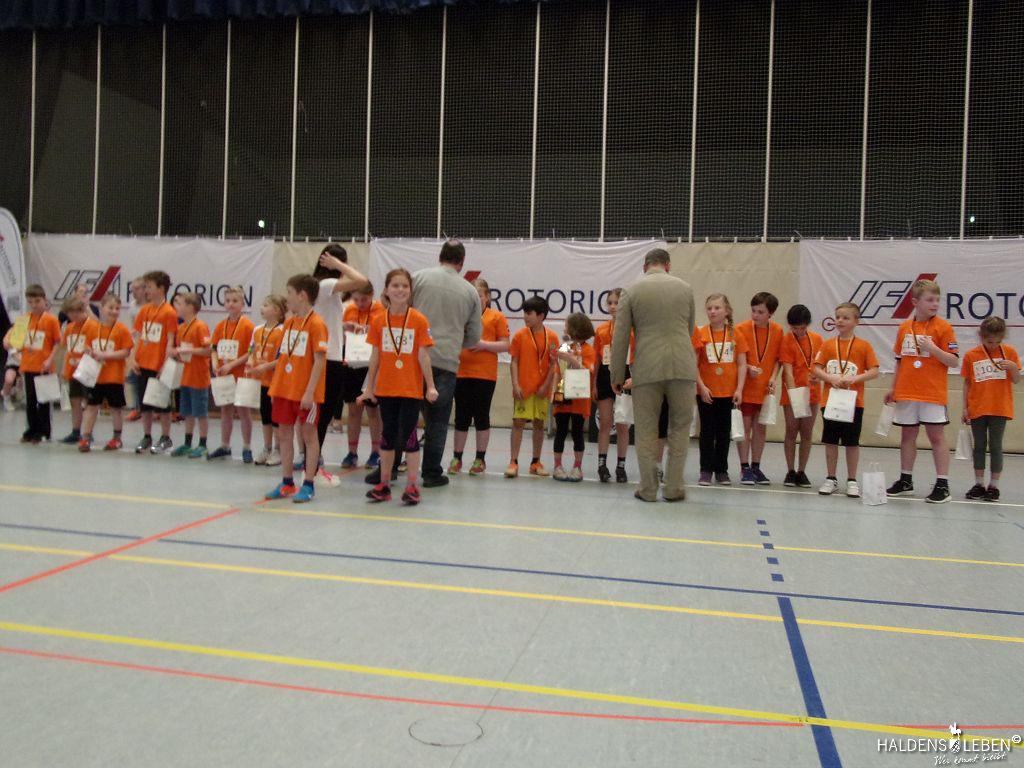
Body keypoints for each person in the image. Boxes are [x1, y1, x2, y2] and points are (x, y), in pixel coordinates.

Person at [610, 248, 696, 502]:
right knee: (680, 428)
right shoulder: (685, 288)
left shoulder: (631, 291)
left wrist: (617, 375)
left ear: (644, 266)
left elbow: (620, 337)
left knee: (646, 429)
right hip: (682, 365)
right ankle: (674, 488)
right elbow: (689, 329)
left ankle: (648, 489)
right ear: (668, 265)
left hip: (647, 368)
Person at [359, 268, 439, 505]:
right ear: (386, 290)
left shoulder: (418, 320)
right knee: (388, 436)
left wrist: (430, 386)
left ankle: (412, 486)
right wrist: (369, 387)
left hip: (410, 390)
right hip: (386, 389)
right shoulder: (378, 320)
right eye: (395, 285)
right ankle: (384, 484)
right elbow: (375, 356)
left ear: (410, 291)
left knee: (410, 437)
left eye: (405, 286)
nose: (400, 290)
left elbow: (424, 356)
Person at [409, 239, 483, 488]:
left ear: (439, 256)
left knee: (404, 416)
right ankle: (431, 473)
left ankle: (391, 466)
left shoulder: (418, 278)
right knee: (438, 422)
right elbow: (474, 336)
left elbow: (399, 313)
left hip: (412, 359)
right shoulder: (470, 291)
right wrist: (453, 342)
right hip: (446, 362)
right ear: (462, 262)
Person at [884, 279, 960, 503]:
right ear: (915, 302)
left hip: (931, 392)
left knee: (936, 436)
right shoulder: (904, 328)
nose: (935, 304)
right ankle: (905, 480)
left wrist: (933, 349)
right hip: (907, 391)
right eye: (930, 300)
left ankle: (943, 484)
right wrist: (893, 387)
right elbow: (900, 360)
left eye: (937, 300)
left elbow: (954, 361)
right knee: (907, 435)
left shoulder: (943, 328)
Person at [265, 275, 330, 503]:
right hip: (285, 390)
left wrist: (310, 392)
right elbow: (285, 357)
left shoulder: (317, 324)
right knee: (284, 435)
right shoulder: (289, 323)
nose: (287, 298)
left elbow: (320, 360)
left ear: (302, 295)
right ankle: (287, 482)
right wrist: (275, 386)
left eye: (289, 293)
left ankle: (309, 483)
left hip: (305, 393)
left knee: (308, 436)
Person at [309, 245, 370, 483]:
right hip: (329, 358)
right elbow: (362, 281)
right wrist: (338, 265)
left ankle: (312, 462)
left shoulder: (322, 289)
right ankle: (312, 465)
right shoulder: (325, 284)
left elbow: (322, 319)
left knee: (321, 414)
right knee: (322, 415)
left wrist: (343, 326)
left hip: (330, 355)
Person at [813, 302, 879, 497]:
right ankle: (831, 478)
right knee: (831, 441)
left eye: (845, 318)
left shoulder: (864, 346)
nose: (840, 321)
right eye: (838, 317)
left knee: (851, 442)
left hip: (853, 403)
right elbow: (816, 368)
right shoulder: (827, 345)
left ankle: (852, 480)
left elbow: (874, 371)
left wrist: (855, 379)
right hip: (831, 401)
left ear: (856, 321)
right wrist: (830, 378)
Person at [450, 278, 510, 476]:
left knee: (481, 416)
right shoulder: (461, 315)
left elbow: (506, 344)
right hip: (461, 372)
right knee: (461, 417)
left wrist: (484, 345)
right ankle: (457, 457)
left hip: (485, 375)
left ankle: (480, 459)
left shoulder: (496, 317)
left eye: (479, 295)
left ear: (487, 297)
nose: (475, 299)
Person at [961, 316, 1020, 502]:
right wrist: (965, 407)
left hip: (999, 408)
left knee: (996, 446)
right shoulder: (971, 355)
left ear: (1002, 338)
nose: (993, 345)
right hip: (977, 407)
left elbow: (1016, 380)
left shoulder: (1009, 352)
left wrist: (1013, 368)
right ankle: (979, 483)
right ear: (981, 336)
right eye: (989, 341)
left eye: (997, 342)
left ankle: (994, 486)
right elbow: (967, 383)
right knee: (979, 446)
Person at [693, 293, 747, 486]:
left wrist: (739, 389)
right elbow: (693, 363)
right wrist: (701, 387)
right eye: (709, 308)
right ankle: (706, 470)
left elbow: (741, 364)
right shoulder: (701, 333)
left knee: (724, 433)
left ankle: (722, 470)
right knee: (707, 432)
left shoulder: (735, 334)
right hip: (706, 392)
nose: (712, 311)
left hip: (728, 393)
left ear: (727, 311)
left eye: (717, 308)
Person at [506, 296, 559, 478]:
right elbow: (514, 361)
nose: (525, 316)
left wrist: (546, 385)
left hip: (541, 389)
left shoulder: (552, 337)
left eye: (529, 313)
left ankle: (535, 462)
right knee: (518, 422)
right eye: (524, 313)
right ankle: (513, 461)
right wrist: (515, 384)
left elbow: (553, 364)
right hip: (524, 388)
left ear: (541, 316)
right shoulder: (519, 336)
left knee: (539, 424)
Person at [735, 292, 783, 485]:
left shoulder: (777, 331)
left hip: (764, 389)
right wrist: (747, 367)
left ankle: (756, 466)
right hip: (746, 388)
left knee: (760, 429)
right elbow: (736, 359)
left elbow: (778, 359)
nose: (755, 315)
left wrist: (773, 377)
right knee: (745, 428)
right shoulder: (741, 329)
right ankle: (744, 467)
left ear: (771, 313)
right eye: (753, 311)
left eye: (760, 312)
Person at [132, 270, 179, 455]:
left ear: (161, 288)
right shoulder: (144, 310)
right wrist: (133, 358)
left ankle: (166, 437)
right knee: (145, 403)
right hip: (143, 363)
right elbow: (138, 336)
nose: (146, 291)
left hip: (159, 364)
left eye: (149, 287)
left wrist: (165, 365)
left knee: (162, 402)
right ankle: (147, 435)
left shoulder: (169, 312)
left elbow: (170, 340)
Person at [339, 283, 385, 470]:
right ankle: (352, 452)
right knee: (353, 410)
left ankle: (376, 452)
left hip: (371, 365)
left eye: (364, 299)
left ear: (372, 295)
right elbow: (341, 334)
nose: (360, 303)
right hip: (352, 364)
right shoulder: (349, 310)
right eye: (356, 299)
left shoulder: (381, 310)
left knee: (373, 411)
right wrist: (345, 327)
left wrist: (367, 330)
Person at [79, 293, 133, 452]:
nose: (114, 311)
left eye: (117, 308)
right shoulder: (92, 327)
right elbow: (85, 346)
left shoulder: (122, 330)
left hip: (114, 377)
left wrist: (105, 355)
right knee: (91, 407)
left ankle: (117, 438)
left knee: (116, 408)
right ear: (102, 308)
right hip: (95, 376)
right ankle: (86, 437)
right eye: (110, 307)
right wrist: (90, 352)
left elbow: (125, 352)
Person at [207, 286, 255, 463]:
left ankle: (247, 447)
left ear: (243, 303)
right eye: (227, 301)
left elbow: (251, 352)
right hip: (224, 375)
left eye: (235, 301)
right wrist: (215, 364)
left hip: (241, 375)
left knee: (244, 412)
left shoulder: (248, 326)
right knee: (225, 410)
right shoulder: (221, 326)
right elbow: (213, 348)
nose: (231, 304)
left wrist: (232, 365)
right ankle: (225, 445)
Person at [779, 304, 823, 488]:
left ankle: (802, 471)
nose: (798, 331)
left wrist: (818, 376)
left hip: (812, 392)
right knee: (791, 430)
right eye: (795, 328)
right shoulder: (787, 340)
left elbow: (820, 365)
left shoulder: (817, 339)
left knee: (806, 432)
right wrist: (794, 394)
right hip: (793, 393)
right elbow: (788, 371)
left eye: (802, 328)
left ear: (808, 324)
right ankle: (790, 471)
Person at [593, 288, 633, 483]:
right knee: (605, 423)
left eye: (616, 303)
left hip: (625, 376)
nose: (613, 306)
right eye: (610, 303)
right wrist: (594, 383)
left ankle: (621, 466)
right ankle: (602, 465)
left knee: (623, 424)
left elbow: (638, 356)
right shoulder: (601, 330)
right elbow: (597, 359)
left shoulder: (633, 330)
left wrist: (635, 378)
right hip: (605, 376)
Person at [551, 313, 596, 482]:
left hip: (579, 398)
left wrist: (572, 359)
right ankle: (557, 466)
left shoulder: (588, 350)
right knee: (561, 431)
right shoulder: (563, 348)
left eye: (566, 325)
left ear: (575, 329)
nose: (564, 329)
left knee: (577, 432)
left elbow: (588, 371)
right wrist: (553, 392)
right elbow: (557, 371)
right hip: (562, 395)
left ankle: (577, 467)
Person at [15, 284, 61, 443]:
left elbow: (57, 342)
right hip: (28, 365)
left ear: (44, 300)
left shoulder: (51, 320)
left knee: (44, 400)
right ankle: (32, 429)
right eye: (30, 302)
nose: (34, 305)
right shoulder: (24, 320)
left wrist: (50, 359)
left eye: (37, 301)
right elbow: (17, 343)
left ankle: (44, 431)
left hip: (44, 366)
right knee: (30, 400)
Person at [169, 293, 212, 458]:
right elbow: (182, 351)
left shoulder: (200, 326)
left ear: (190, 307)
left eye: (180, 304)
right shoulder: (180, 328)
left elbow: (207, 350)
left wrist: (189, 350)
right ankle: (187, 443)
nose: (177, 307)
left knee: (200, 412)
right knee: (187, 411)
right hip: (185, 375)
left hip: (198, 376)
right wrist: (175, 353)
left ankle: (203, 444)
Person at [247, 294, 287, 467]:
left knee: (276, 417)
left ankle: (278, 449)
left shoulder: (282, 331)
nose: (261, 308)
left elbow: (283, 358)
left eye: (265, 305)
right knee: (265, 416)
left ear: (277, 310)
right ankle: (267, 447)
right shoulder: (257, 330)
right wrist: (250, 362)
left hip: (276, 382)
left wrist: (266, 367)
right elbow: (251, 350)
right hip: (261, 381)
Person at [58, 296, 99, 445]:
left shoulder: (92, 326)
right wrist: (64, 369)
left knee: (88, 402)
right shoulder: (69, 328)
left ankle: (88, 432)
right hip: (73, 370)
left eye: (77, 312)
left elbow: (96, 349)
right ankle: (75, 432)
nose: (74, 315)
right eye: (70, 313)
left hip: (87, 370)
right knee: (74, 401)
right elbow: (67, 350)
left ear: (83, 310)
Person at [124, 277, 147, 421]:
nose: (134, 292)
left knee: (148, 379)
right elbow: (134, 326)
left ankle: (151, 408)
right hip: (136, 345)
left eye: (137, 289)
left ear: (145, 289)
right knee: (133, 378)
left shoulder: (151, 306)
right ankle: (136, 408)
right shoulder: (132, 306)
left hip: (149, 345)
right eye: (132, 289)